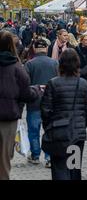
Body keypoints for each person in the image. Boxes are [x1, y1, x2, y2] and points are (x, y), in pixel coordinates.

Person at [41, 49, 87, 180]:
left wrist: (49, 126)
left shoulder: (53, 83)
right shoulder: (83, 84)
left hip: (58, 134)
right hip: (76, 136)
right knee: (73, 169)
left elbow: (45, 110)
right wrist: (80, 125)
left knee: (59, 169)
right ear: (77, 64)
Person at [0, 30, 41, 180]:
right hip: (8, 118)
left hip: (8, 116)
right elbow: (26, 94)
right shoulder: (17, 67)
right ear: (12, 46)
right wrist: (36, 90)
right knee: (4, 159)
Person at [24, 39, 58, 168]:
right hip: (51, 103)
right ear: (46, 49)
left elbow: (25, 85)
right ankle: (49, 157)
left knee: (33, 130)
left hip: (34, 102)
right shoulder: (55, 63)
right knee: (49, 130)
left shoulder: (29, 64)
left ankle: (35, 155)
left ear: (35, 48)